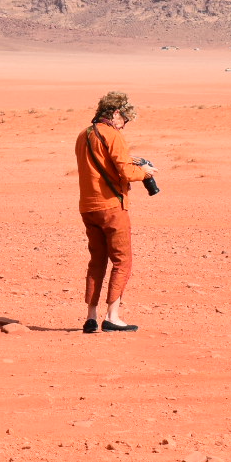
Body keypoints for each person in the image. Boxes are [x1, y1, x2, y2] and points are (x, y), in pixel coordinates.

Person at [75, 90, 156, 334]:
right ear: (116, 113)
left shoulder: (84, 134)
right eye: (125, 120)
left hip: (88, 207)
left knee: (97, 261)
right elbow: (127, 172)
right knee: (122, 261)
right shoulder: (113, 135)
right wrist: (145, 172)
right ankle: (113, 317)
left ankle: (91, 317)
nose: (124, 125)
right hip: (112, 207)